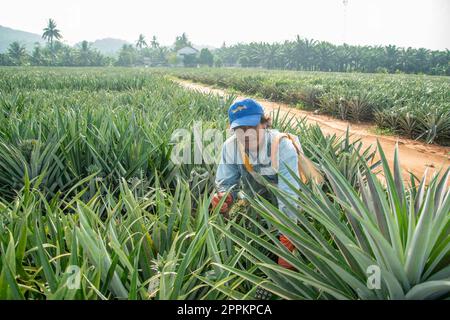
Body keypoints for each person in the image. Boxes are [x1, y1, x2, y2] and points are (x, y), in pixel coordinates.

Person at [211, 98, 320, 269]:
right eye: (240, 130)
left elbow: (289, 197)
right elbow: (225, 182)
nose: (246, 135)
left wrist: (288, 237)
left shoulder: (283, 146)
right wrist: (224, 197)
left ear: (264, 124)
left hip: (296, 206)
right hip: (258, 207)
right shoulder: (230, 147)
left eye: (252, 127)